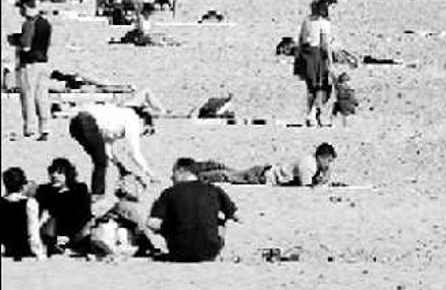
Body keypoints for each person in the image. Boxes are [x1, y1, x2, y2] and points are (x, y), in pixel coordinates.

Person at [68, 89, 166, 198]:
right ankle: (97, 194)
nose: (143, 135)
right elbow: (134, 153)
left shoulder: (119, 120)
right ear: (144, 122)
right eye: (147, 131)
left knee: (100, 159)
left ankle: (97, 194)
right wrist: (150, 174)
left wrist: (120, 167)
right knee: (101, 161)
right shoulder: (134, 121)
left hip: (75, 123)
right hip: (87, 122)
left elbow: (107, 150)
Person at [147, 158, 239, 262]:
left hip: (178, 251)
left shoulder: (169, 193)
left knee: (172, 219)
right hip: (209, 252)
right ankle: (213, 245)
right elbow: (237, 216)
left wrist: (169, 225)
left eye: (174, 173)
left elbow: (152, 223)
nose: (171, 177)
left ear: (181, 170)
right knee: (220, 221)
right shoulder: (214, 190)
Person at [192, 143, 338, 188]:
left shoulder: (313, 163)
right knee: (228, 176)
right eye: (328, 160)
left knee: (233, 173)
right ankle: (201, 176)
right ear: (321, 157)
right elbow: (305, 187)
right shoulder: (309, 165)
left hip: (263, 172)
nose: (329, 164)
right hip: (263, 176)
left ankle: (210, 166)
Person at [10, 0, 52, 141]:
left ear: (26, 7)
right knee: (42, 97)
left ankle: (30, 128)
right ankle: (45, 128)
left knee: (28, 96)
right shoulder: (45, 23)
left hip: (29, 64)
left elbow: (26, 46)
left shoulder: (29, 23)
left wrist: (15, 41)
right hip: (43, 63)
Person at [35, 158, 92, 255]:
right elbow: (38, 213)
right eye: (52, 172)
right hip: (55, 232)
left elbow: (83, 214)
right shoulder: (45, 191)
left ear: (67, 175)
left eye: (59, 173)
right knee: (51, 220)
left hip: (77, 230)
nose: (54, 175)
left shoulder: (79, 189)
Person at [297, 0, 337, 127]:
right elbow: (325, 44)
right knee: (321, 87)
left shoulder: (307, 20)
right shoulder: (324, 23)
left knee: (311, 87)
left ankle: (311, 114)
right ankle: (313, 113)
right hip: (317, 55)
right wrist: (330, 62)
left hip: (305, 53)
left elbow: (301, 39)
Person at [1, 168, 46, 260]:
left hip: (7, 249)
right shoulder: (30, 203)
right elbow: (33, 231)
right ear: (22, 185)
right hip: (25, 250)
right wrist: (40, 253)